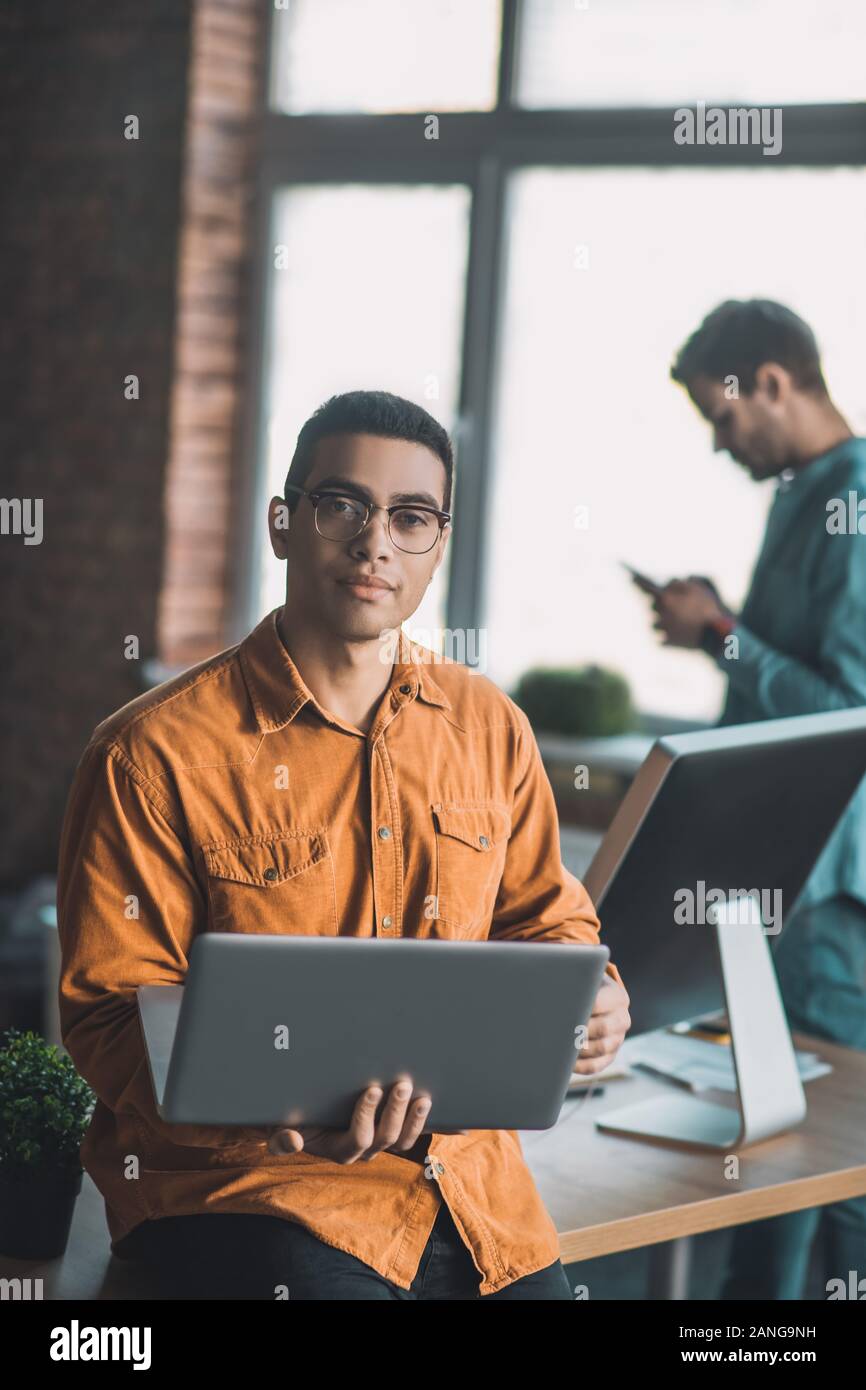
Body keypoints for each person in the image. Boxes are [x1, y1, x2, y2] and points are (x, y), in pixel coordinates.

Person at [57, 389, 629, 1301]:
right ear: (284, 525)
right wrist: (276, 1117)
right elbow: (105, 1018)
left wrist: (595, 1000)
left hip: (476, 1198)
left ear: (438, 546)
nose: (375, 545)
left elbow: (549, 924)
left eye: (411, 519)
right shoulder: (153, 751)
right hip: (249, 1196)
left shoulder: (490, 727)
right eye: (342, 506)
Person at [639, 299, 866, 1300]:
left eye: (722, 417)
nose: (718, 443)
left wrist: (718, 635)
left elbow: (850, 711)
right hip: (781, 872)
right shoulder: (795, 494)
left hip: (828, 885)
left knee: (817, 1151)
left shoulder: (851, 500)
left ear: (772, 382)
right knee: (771, 1128)